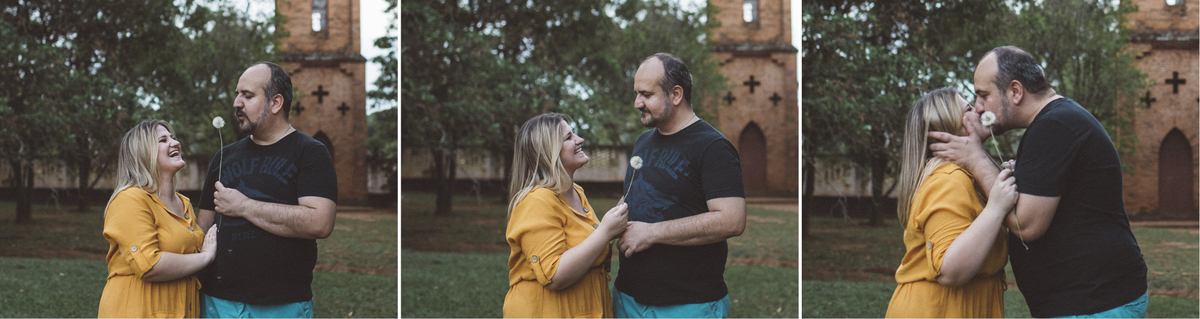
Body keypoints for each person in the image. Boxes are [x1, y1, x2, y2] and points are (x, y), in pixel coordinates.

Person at [930, 46, 1149, 318]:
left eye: (983, 95)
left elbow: (1026, 224)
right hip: (1090, 300)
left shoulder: (1054, 126)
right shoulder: (1055, 122)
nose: (978, 107)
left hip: (1094, 302)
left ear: (1015, 92)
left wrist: (975, 158)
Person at [196, 62, 338, 318]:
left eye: (247, 96)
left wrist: (244, 207)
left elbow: (320, 222)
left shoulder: (310, 152)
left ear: (276, 103)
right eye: (237, 94)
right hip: (218, 303)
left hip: (281, 306)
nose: (236, 103)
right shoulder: (223, 157)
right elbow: (203, 228)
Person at [613, 53, 746, 318]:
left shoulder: (713, 147)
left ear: (675, 95)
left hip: (688, 305)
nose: (637, 103)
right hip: (628, 298)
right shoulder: (643, 141)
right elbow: (633, 196)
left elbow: (732, 220)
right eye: (636, 93)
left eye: (646, 94)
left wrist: (651, 233)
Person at [884, 88, 1018, 318]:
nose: (978, 109)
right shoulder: (949, 179)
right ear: (948, 127)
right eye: (968, 109)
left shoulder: (963, 177)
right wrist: (996, 207)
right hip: (939, 310)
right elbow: (950, 271)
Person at [503, 112, 629, 318]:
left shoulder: (575, 192)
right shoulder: (537, 200)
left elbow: (587, 243)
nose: (580, 140)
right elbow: (554, 276)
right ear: (547, 152)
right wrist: (605, 232)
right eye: (569, 138)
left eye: (575, 134)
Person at [99, 120, 218, 318]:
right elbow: (149, 265)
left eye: (173, 137)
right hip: (138, 311)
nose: (174, 143)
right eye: (163, 140)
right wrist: (205, 257)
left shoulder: (184, 203)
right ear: (143, 154)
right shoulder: (130, 199)